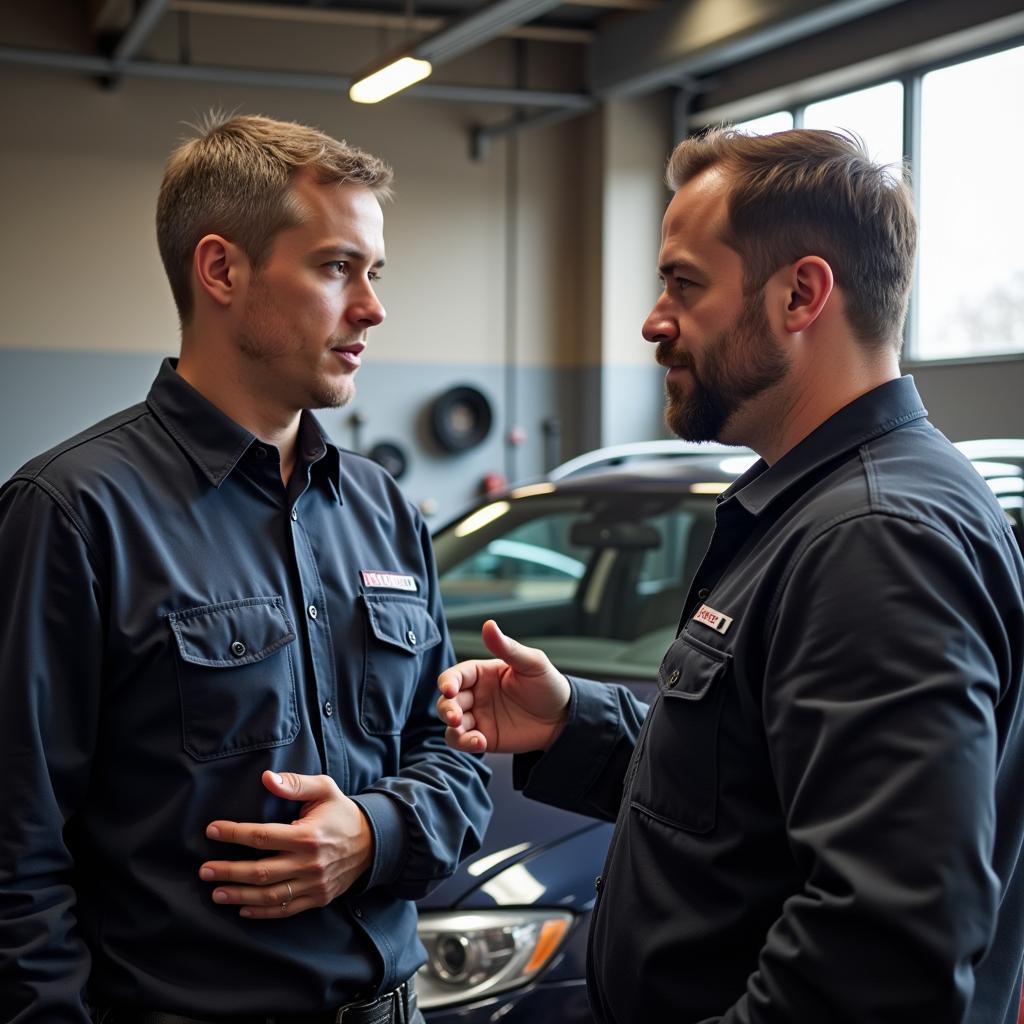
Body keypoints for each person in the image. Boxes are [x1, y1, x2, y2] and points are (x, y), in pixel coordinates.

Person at [437, 128, 1024, 1023]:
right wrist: (573, 723)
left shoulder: (874, 538)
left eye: (684, 283)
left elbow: (880, 955)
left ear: (801, 294)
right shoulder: (810, 509)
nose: (652, 319)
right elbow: (747, 803)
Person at [0, 113, 491, 1024]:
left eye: (372, 273)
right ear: (221, 270)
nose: (373, 308)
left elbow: (454, 764)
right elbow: (16, 854)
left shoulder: (384, 512)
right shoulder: (72, 514)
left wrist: (371, 836)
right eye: (337, 267)